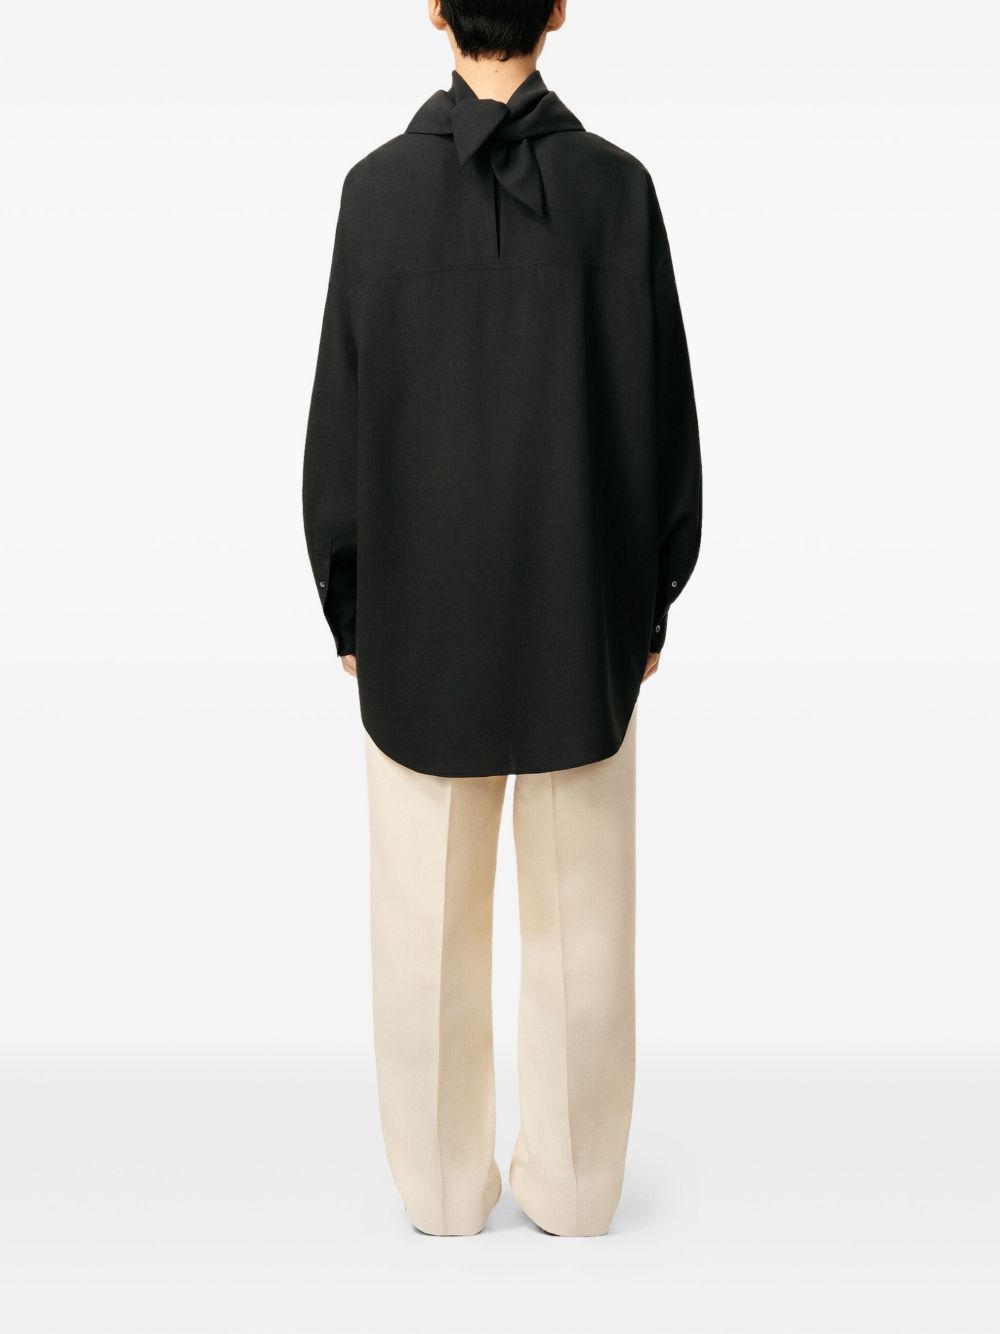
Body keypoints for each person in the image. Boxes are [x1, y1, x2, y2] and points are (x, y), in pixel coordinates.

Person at [302, 0, 701, 1237]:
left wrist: (348, 601)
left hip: (419, 621)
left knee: (422, 921)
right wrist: (651, 599)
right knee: (585, 925)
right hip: (583, 614)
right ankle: (577, 1190)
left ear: (434, 9)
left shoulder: (374, 196)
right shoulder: (618, 192)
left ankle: (438, 1187)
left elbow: (338, 423)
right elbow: (666, 422)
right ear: (559, 8)